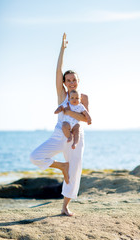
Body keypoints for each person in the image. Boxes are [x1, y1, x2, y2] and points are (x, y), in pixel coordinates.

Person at [30, 33, 91, 216]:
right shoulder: (62, 95)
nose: (71, 83)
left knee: (76, 170)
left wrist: (67, 112)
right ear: (64, 83)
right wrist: (62, 49)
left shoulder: (84, 98)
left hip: (76, 136)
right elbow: (58, 71)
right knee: (35, 156)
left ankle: (65, 206)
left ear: (78, 82)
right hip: (59, 134)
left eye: (74, 80)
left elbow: (84, 119)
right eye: (68, 80)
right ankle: (61, 166)